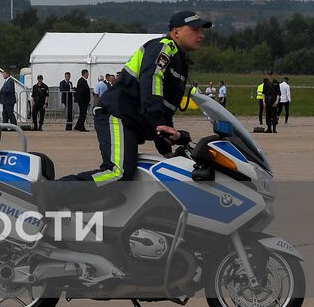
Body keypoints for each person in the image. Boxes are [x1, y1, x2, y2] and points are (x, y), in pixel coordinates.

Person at [66, 10, 209, 184]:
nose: (201, 35)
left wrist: (166, 148)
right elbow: (152, 81)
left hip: (130, 119)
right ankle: (50, 192)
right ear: (176, 32)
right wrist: (158, 122)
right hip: (117, 114)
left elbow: (163, 108)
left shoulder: (180, 60)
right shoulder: (165, 47)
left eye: (202, 30)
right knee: (118, 173)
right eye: (195, 29)